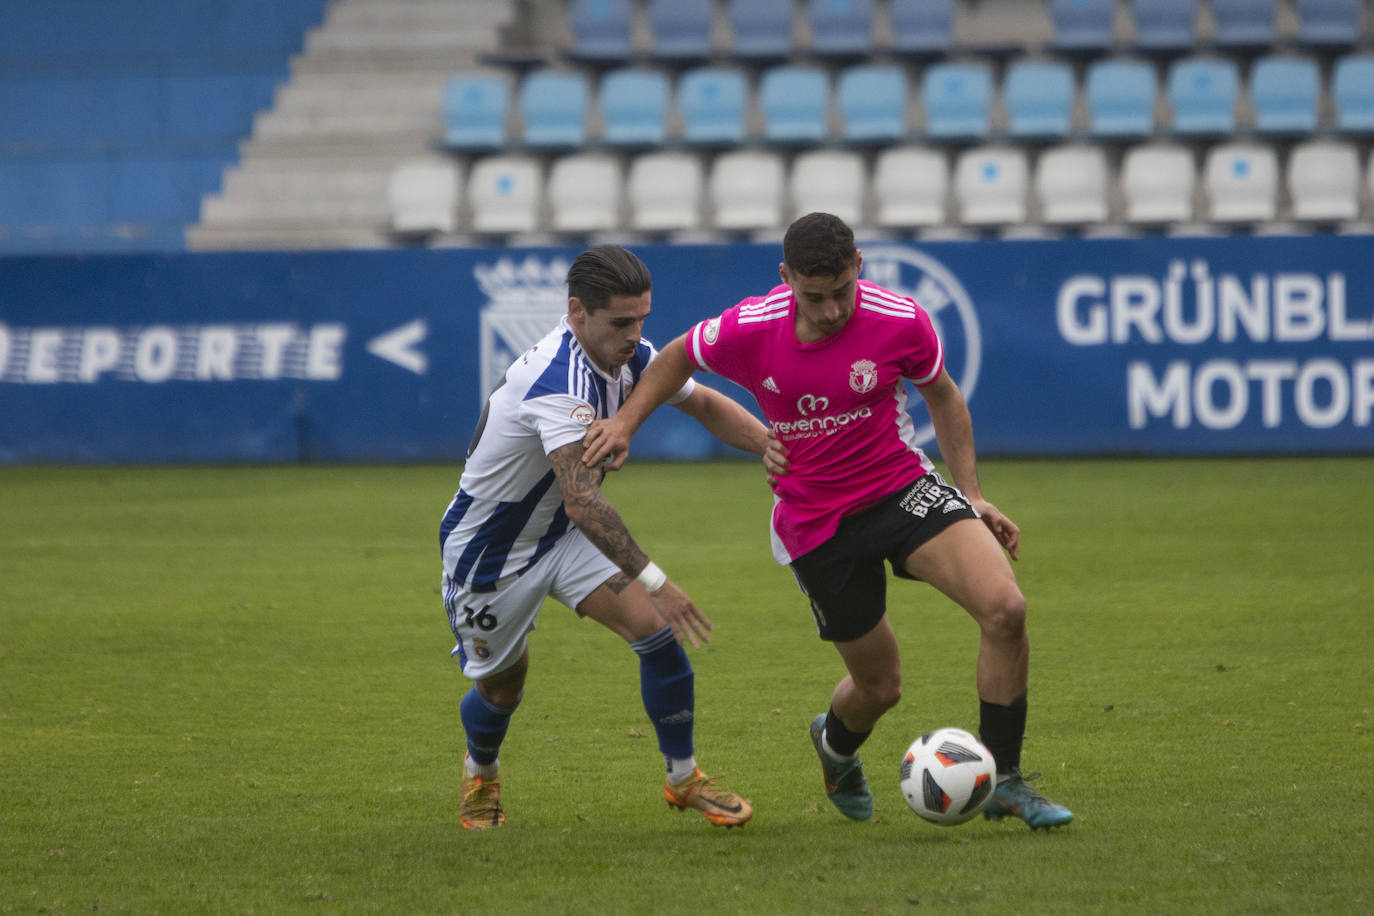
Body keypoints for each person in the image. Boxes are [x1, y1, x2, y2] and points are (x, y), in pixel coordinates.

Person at [581, 213, 1073, 830]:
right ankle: (835, 746)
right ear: (785, 278)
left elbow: (943, 395)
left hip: (900, 488)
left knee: (1007, 609)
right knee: (880, 686)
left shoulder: (899, 320)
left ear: (859, 266)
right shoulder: (750, 327)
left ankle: (1004, 778)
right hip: (816, 522)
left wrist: (970, 495)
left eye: (842, 291)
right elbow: (678, 356)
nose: (834, 310)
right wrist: (624, 423)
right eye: (815, 297)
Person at [441, 245, 770, 830]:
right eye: (621, 322)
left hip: (563, 538)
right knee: (502, 688)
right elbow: (584, 498)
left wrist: (772, 446)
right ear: (577, 312)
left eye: (641, 318)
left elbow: (704, 403)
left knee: (656, 633)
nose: (635, 335)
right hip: (492, 554)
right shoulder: (558, 381)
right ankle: (481, 771)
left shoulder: (631, 356)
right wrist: (659, 581)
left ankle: (682, 778)